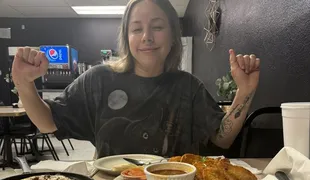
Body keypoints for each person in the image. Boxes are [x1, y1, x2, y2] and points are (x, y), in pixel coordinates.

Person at [11, 0, 260, 158]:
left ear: (173, 35)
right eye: (137, 29)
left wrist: (244, 91)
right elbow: (47, 123)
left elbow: (223, 139)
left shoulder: (188, 87)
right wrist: (24, 83)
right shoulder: (98, 80)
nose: (146, 37)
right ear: (127, 38)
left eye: (157, 27)